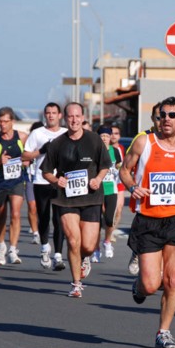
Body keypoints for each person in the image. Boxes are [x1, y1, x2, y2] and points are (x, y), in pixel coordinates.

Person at [120, 96, 175, 348]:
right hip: (147, 220)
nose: (166, 119)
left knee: (172, 280)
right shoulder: (144, 142)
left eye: (172, 115)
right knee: (149, 284)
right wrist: (132, 187)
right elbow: (124, 169)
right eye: (162, 115)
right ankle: (139, 286)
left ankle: (164, 332)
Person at [41, 102, 111, 297]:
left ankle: (85, 258)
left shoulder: (94, 140)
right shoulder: (57, 143)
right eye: (70, 116)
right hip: (66, 199)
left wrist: (98, 178)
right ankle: (76, 284)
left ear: (82, 118)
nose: (74, 120)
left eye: (77, 116)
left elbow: (105, 164)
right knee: (73, 241)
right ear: (65, 118)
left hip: (91, 197)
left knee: (87, 245)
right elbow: (46, 171)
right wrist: (56, 181)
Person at [23, 102, 68, 271]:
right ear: (45, 115)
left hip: (60, 181)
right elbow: (24, 156)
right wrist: (41, 151)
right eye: (48, 113)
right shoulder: (37, 133)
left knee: (59, 219)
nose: (51, 115)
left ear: (60, 116)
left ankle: (58, 255)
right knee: (43, 217)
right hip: (41, 180)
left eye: (54, 113)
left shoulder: (66, 133)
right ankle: (44, 247)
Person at [126, 101, 163, 276]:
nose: (162, 120)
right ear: (152, 118)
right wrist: (133, 185)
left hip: (167, 200)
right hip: (144, 195)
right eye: (158, 117)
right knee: (143, 230)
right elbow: (127, 165)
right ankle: (137, 251)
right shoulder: (142, 138)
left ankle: (160, 274)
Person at [0, 107, 29, 266]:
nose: (3, 125)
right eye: (0, 121)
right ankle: (1, 246)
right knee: (0, 215)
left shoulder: (23, 137)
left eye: (6, 121)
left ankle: (13, 249)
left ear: (12, 121)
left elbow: (29, 155)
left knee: (16, 214)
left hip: (17, 180)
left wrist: (27, 160)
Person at [96, 125, 122, 261]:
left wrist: (120, 168)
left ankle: (107, 242)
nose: (105, 138)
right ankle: (96, 247)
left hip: (111, 188)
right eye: (102, 136)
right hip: (97, 189)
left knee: (109, 219)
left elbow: (120, 166)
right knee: (97, 221)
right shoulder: (95, 151)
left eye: (107, 136)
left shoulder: (115, 151)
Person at [25, 121, 44, 245]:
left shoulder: (48, 144)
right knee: (32, 206)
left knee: (43, 208)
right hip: (31, 177)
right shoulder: (28, 145)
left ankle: (43, 229)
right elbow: (23, 158)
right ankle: (35, 233)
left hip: (45, 178)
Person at [110, 124, 126, 241]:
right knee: (107, 210)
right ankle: (107, 228)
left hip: (119, 182)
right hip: (107, 183)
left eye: (116, 133)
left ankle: (111, 232)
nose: (113, 136)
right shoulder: (103, 147)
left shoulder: (122, 148)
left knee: (119, 208)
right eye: (111, 133)